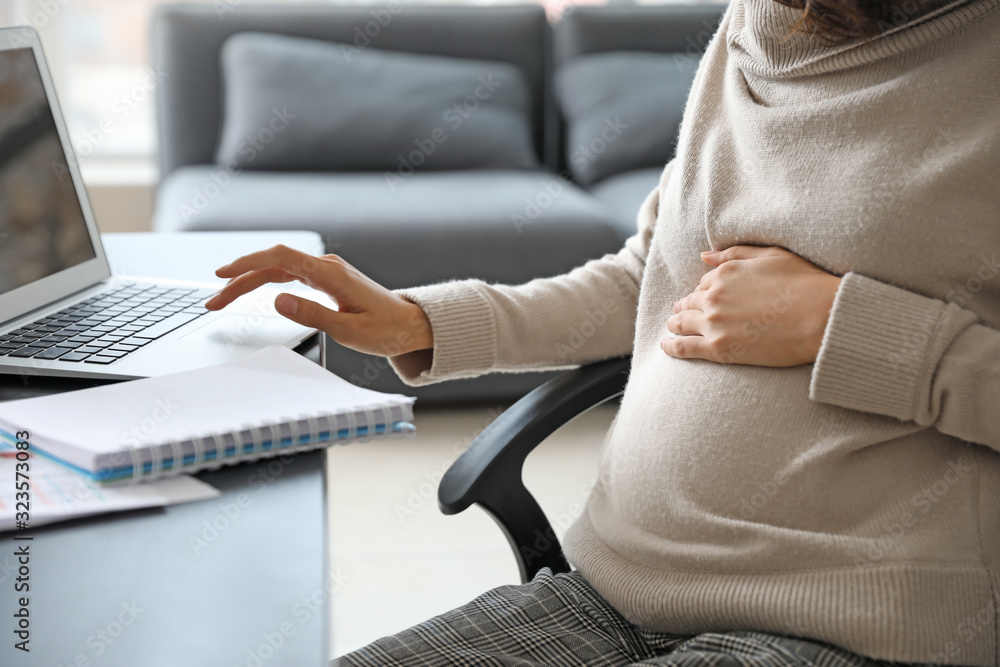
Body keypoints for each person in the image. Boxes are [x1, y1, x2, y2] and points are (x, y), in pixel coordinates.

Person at [205, 0, 1000, 663]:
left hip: (852, 627)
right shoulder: (754, 26)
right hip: (610, 587)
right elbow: (648, 276)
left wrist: (847, 327)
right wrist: (422, 321)